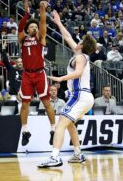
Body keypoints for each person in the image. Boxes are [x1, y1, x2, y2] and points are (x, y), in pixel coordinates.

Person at [38, 10, 97, 168]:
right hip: (82, 96)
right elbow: (67, 37)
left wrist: (60, 78)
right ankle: (78, 154)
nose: (77, 41)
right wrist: (58, 23)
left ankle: (55, 157)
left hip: (80, 95)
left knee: (60, 124)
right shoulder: (79, 53)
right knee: (69, 124)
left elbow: (77, 73)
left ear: (82, 45)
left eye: (81, 40)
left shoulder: (80, 57)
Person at [18, 0, 56, 146]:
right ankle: (25, 131)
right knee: (24, 104)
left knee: (46, 103)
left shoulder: (41, 38)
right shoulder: (23, 39)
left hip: (40, 74)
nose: (34, 28)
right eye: (31, 27)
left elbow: (42, 22)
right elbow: (20, 28)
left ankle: (53, 130)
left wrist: (42, 9)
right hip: (27, 74)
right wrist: (26, 14)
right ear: (28, 30)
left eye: (35, 27)